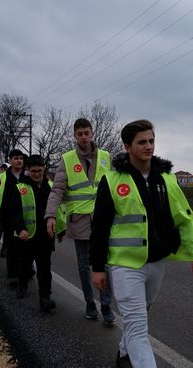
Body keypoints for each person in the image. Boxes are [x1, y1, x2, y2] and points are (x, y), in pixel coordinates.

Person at [90, 119, 193, 368]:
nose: (149, 147)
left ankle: (123, 353)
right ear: (127, 146)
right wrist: (97, 267)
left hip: (156, 262)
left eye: (151, 141)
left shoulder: (166, 179)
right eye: (142, 142)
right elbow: (99, 228)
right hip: (125, 264)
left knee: (142, 313)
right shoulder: (111, 181)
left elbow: (184, 217)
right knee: (138, 327)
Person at [45, 118, 115, 323]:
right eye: (79, 134)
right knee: (84, 265)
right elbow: (57, 189)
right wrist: (50, 215)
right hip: (79, 220)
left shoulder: (105, 157)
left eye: (86, 132)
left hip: (102, 221)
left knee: (104, 264)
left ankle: (106, 305)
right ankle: (89, 303)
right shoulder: (67, 159)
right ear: (74, 136)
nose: (83, 137)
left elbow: (113, 186)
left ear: (92, 133)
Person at [9, 155, 62, 311]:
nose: (37, 174)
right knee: (25, 264)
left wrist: (61, 229)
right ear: (27, 170)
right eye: (33, 171)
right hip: (27, 236)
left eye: (39, 170)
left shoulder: (51, 187)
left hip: (45, 236)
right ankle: (22, 285)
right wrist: (20, 229)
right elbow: (15, 212)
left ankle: (45, 297)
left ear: (44, 169)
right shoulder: (20, 188)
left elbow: (59, 210)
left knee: (44, 268)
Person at [0, 150, 24, 286]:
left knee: (24, 245)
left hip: (25, 217)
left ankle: (25, 270)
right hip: (7, 217)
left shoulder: (27, 176)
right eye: (16, 158)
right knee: (11, 245)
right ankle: (13, 273)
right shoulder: (1, 178)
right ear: (10, 160)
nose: (19, 161)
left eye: (20, 158)